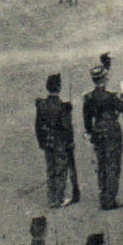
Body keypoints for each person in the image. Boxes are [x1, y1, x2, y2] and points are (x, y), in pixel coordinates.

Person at [83, 56, 123, 210]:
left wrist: (90, 133)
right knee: (113, 165)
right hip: (111, 131)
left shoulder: (88, 98)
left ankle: (104, 195)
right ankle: (110, 199)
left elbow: (87, 119)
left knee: (102, 164)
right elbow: (122, 107)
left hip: (97, 132)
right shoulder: (110, 97)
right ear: (104, 78)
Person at [35, 72, 80, 207]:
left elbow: (37, 125)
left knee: (50, 169)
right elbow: (67, 127)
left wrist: (41, 142)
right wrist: (70, 142)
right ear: (59, 88)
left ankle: (51, 198)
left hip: (47, 141)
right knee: (61, 170)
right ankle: (59, 198)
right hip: (60, 141)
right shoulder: (62, 107)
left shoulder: (41, 105)